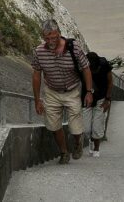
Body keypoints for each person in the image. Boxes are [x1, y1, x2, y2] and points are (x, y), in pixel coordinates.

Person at [31, 19, 94, 164]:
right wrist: (37, 100)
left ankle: (78, 141)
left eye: (54, 37)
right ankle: (64, 152)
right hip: (52, 91)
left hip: (72, 90)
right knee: (53, 125)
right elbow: (36, 75)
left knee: (75, 126)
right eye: (47, 38)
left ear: (59, 33)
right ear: (43, 37)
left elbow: (86, 68)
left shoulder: (74, 47)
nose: (51, 40)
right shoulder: (39, 52)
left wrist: (89, 91)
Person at [84, 52, 112, 158]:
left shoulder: (104, 65)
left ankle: (96, 148)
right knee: (86, 128)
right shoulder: (83, 66)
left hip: (102, 98)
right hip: (86, 98)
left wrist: (108, 99)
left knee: (97, 126)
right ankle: (91, 139)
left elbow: (110, 82)